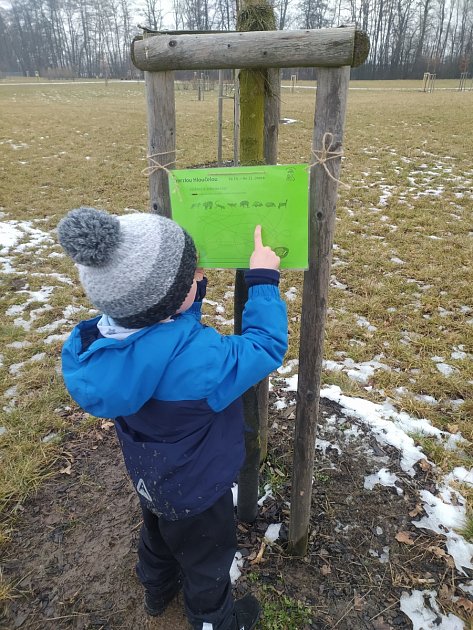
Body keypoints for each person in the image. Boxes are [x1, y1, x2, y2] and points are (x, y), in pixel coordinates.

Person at [58, 207, 288, 630]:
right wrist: (262, 281)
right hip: (199, 490)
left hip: (150, 476)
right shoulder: (202, 359)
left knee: (158, 533)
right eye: (190, 275)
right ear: (171, 298)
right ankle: (213, 619)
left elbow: (162, 338)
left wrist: (188, 293)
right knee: (207, 560)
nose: (198, 275)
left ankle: (156, 588)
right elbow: (265, 347)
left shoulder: (101, 341)